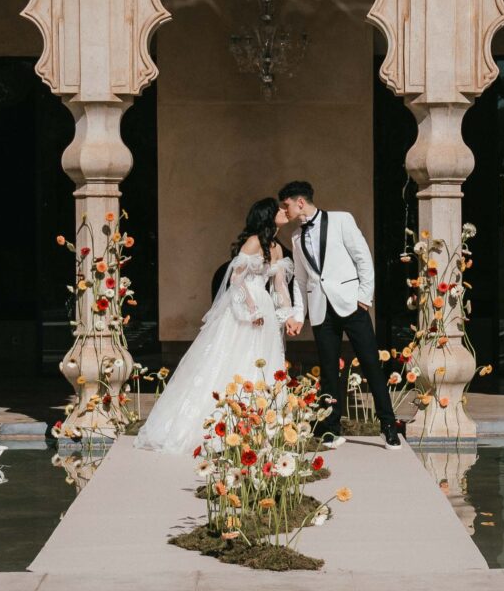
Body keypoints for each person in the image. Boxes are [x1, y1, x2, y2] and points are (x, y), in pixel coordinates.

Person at [134, 197, 297, 453]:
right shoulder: (253, 242)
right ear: (267, 215)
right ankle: (226, 426)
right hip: (245, 309)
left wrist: (288, 314)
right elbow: (237, 280)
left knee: (265, 362)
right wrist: (251, 309)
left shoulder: (276, 247)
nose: (283, 211)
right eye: (278, 208)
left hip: (265, 307)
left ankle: (261, 428)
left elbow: (279, 286)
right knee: (234, 361)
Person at [278, 179, 403, 448]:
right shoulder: (296, 237)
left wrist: (364, 298)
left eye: (286, 205)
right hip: (322, 310)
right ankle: (331, 428)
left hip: (352, 305)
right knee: (328, 371)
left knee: (371, 364)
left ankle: (389, 425)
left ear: (300, 202)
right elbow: (300, 280)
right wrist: (300, 315)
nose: (285, 211)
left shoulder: (342, 220)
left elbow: (363, 258)